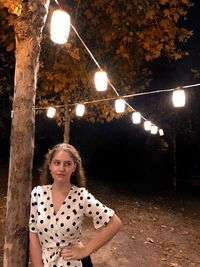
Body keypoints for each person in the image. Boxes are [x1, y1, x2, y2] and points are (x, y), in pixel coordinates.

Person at [29, 143, 122, 267]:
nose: (61, 168)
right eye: (57, 163)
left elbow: (115, 223)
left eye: (67, 164)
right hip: (46, 262)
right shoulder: (37, 194)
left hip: (73, 263)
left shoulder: (81, 197)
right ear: (50, 166)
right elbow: (33, 234)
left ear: (74, 167)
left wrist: (85, 250)